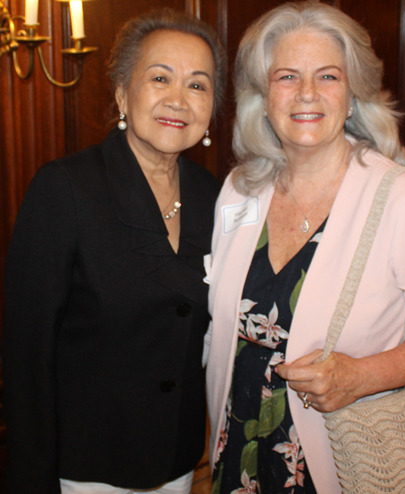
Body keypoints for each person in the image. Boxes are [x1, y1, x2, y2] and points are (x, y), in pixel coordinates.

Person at [204, 2, 405, 493]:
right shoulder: (239, 190)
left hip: (337, 461)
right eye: (287, 76)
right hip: (239, 448)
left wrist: (362, 376)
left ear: (353, 94)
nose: (307, 93)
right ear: (263, 96)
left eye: (328, 76)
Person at [2, 7, 226, 494]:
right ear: (123, 93)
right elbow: (26, 354)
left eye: (197, 85)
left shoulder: (218, 198)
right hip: (85, 466)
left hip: (178, 459)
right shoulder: (65, 189)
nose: (178, 100)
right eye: (160, 77)